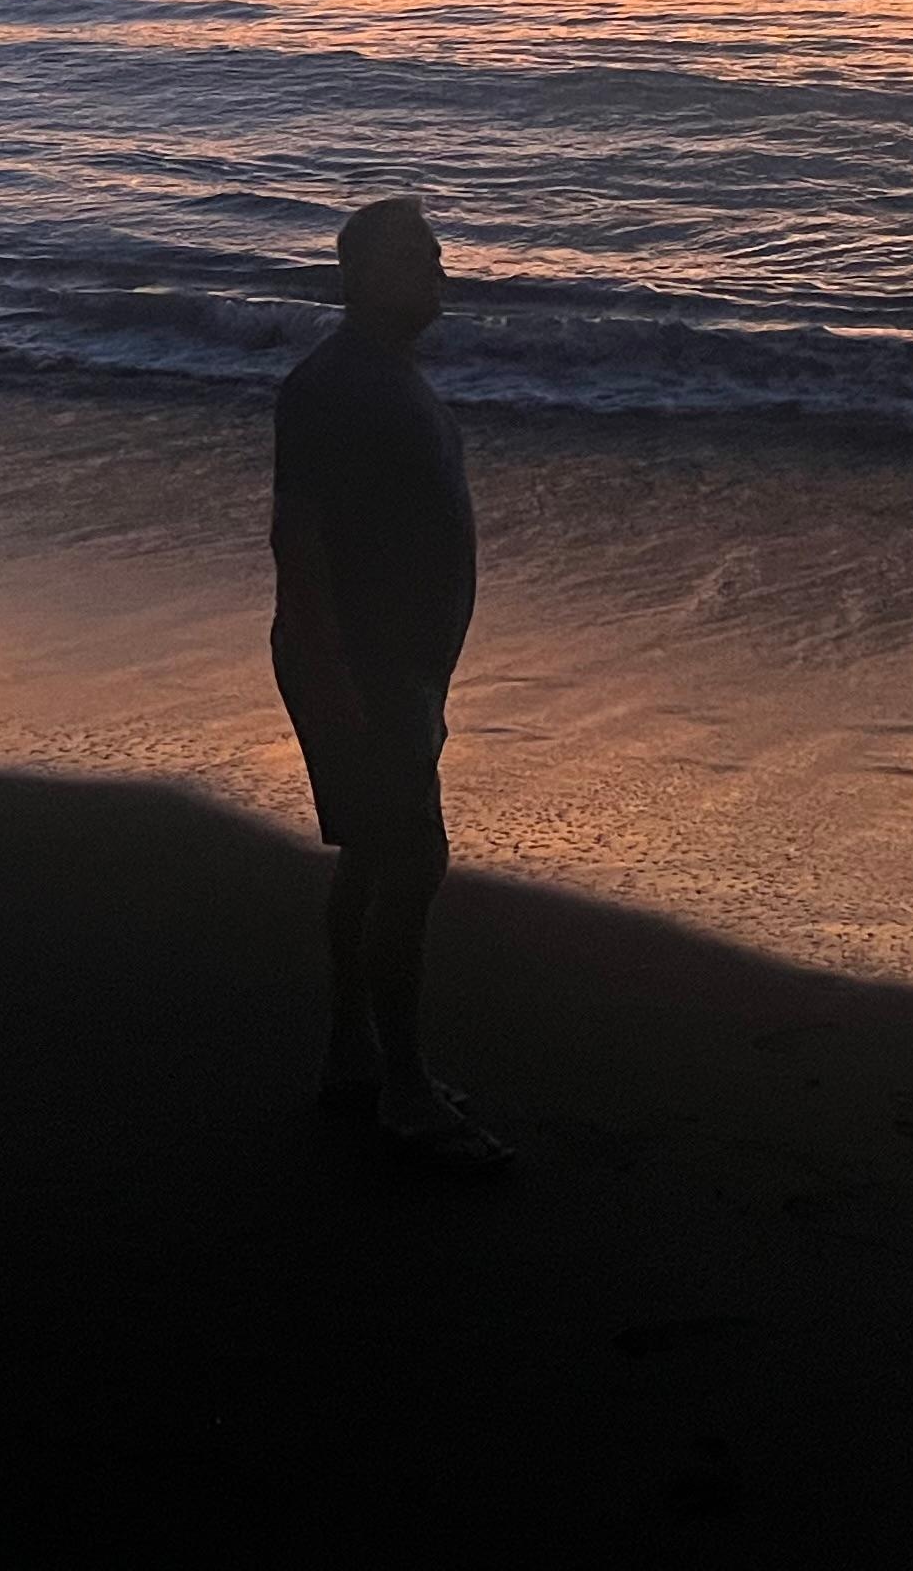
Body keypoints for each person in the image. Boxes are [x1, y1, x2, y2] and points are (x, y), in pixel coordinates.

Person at [270, 196, 507, 1171]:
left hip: (396, 669)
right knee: (410, 861)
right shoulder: (334, 385)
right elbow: (297, 533)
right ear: (364, 275)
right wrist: (332, 672)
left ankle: (352, 1058)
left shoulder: (380, 376)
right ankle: (403, 1091)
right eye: (422, 259)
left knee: (372, 858)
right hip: (363, 669)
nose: (442, 272)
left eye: (441, 255)